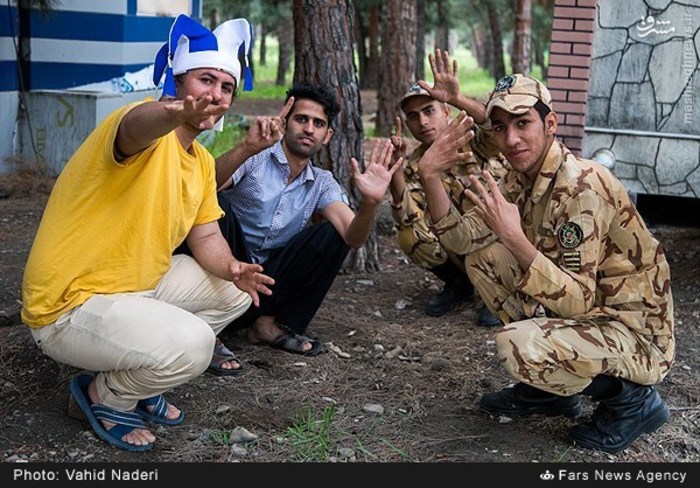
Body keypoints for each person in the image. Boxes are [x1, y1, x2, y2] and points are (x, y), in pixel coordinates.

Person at [20, 14, 275, 452]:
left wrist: (234, 267)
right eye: (205, 80)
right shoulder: (138, 128)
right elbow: (136, 128)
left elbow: (206, 239)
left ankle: (141, 374)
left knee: (233, 292)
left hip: (132, 288)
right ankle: (105, 396)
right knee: (196, 345)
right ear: (177, 81)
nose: (215, 94)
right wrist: (172, 112)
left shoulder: (200, 163)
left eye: (226, 86)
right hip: (67, 305)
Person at [417, 72, 675, 453]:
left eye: (523, 123)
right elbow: (459, 239)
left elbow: (579, 301)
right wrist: (430, 175)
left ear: (550, 123)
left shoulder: (580, 187)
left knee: (517, 345)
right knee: (483, 259)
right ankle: (551, 394)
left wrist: (515, 239)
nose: (511, 139)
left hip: (636, 334)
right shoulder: (519, 176)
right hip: (595, 312)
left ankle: (633, 401)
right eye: (501, 127)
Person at [210, 82, 402, 356]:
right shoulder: (256, 157)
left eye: (318, 123)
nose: (309, 129)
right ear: (285, 123)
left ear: (327, 135)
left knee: (332, 235)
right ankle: (209, 328)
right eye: (301, 119)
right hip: (222, 272)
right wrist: (246, 148)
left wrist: (370, 203)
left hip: (266, 285)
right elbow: (206, 186)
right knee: (216, 204)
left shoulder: (322, 182)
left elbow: (353, 237)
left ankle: (267, 325)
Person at [388, 51, 507, 325]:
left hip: (502, 235)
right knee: (409, 235)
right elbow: (406, 215)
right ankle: (461, 285)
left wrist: (457, 98)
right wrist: (396, 169)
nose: (422, 122)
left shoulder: (472, 138)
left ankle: (501, 289)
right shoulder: (417, 163)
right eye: (413, 116)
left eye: (428, 111)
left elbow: (496, 126)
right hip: (461, 239)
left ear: (445, 111)